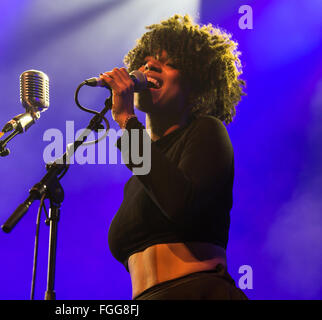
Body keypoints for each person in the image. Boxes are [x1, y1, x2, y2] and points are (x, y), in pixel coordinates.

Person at [103, 14, 248, 300]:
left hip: (200, 293)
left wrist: (127, 120)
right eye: (146, 61)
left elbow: (181, 207)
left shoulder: (207, 131)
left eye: (170, 63)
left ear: (195, 87)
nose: (150, 66)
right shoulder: (137, 180)